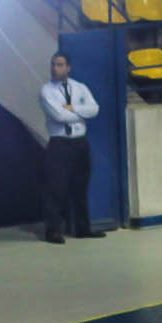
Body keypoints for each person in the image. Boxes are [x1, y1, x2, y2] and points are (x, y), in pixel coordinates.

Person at [38, 49, 101, 243]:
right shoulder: (47, 91)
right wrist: (81, 113)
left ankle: (83, 228)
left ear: (68, 67)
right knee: (57, 189)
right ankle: (53, 231)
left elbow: (95, 109)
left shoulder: (80, 87)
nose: (55, 68)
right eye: (53, 64)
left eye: (59, 65)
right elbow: (59, 116)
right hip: (60, 144)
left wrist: (73, 108)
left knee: (80, 187)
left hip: (80, 143)